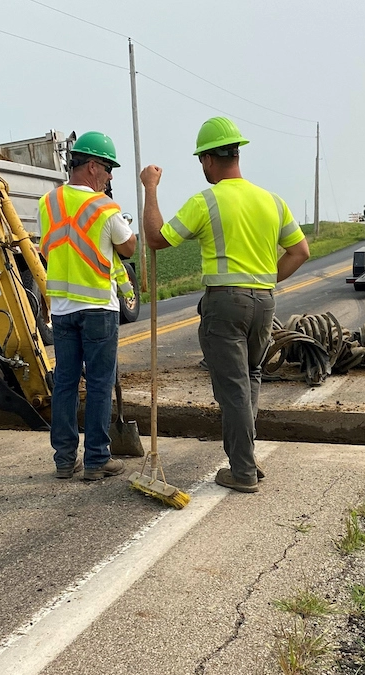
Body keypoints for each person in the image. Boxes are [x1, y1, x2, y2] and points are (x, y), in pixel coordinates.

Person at [139, 117, 310, 494]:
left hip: (225, 304)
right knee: (250, 378)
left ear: (209, 160)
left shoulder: (207, 201)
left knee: (233, 387)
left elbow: (155, 239)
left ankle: (243, 470)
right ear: (235, 153)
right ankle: (245, 456)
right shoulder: (272, 200)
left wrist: (150, 188)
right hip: (264, 302)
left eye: (201, 159)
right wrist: (264, 281)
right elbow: (300, 251)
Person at [37, 131, 137, 481]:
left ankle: (64, 460)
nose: (110, 176)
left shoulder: (47, 203)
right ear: (92, 166)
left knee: (64, 383)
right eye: (108, 168)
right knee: (98, 383)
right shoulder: (104, 207)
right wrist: (119, 217)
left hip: (62, 310)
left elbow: (50, 248)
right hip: (97, 306)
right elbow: (129, 248)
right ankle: (96, 459)